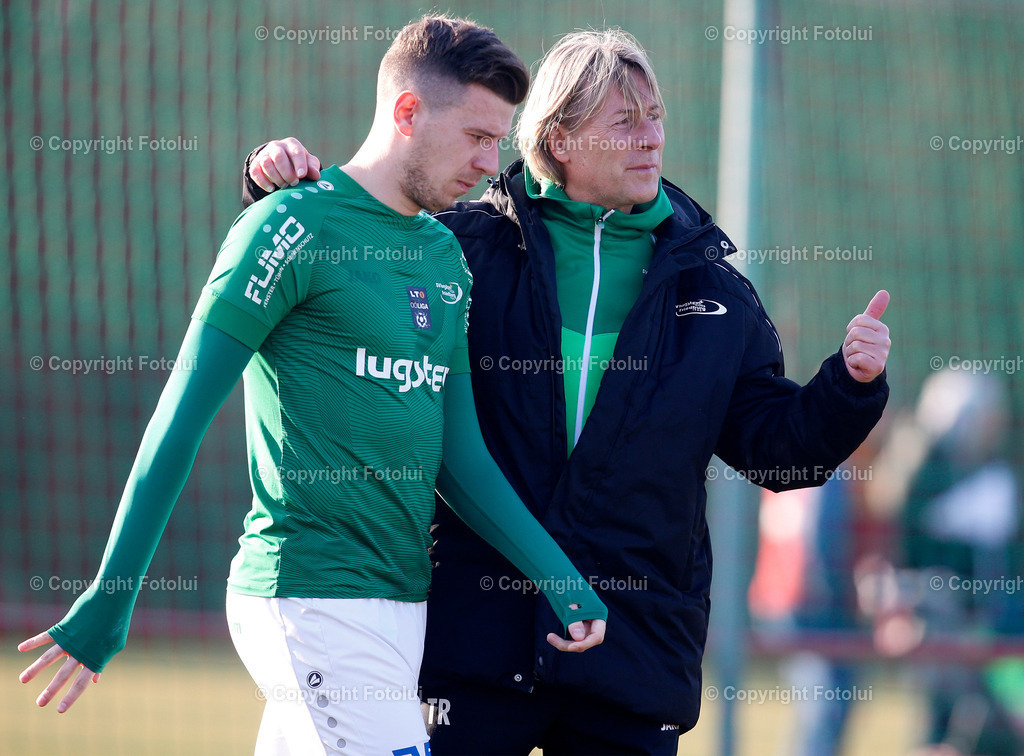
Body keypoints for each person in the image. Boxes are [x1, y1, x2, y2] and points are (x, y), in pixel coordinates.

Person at [244, 27, 892, 756]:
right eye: (625, 122)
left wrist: (850, 384)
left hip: (631, 660)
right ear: (559, 140)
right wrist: (280, 184)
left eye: (656, 116)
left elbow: (782, 456)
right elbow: (346, 263)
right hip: (472, 648)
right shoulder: (455, 249)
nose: (652, 138)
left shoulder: (714, 295)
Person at [17, 16, 609, 756]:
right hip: (308, 594)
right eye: (476, 137)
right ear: (406, 113)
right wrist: (111, 598)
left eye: (499, 139)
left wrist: (559, 576)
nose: (492, 162)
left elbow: (462, 459)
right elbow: (179, 418)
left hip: (400, 607)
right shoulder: (288, 225)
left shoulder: (445, 259)